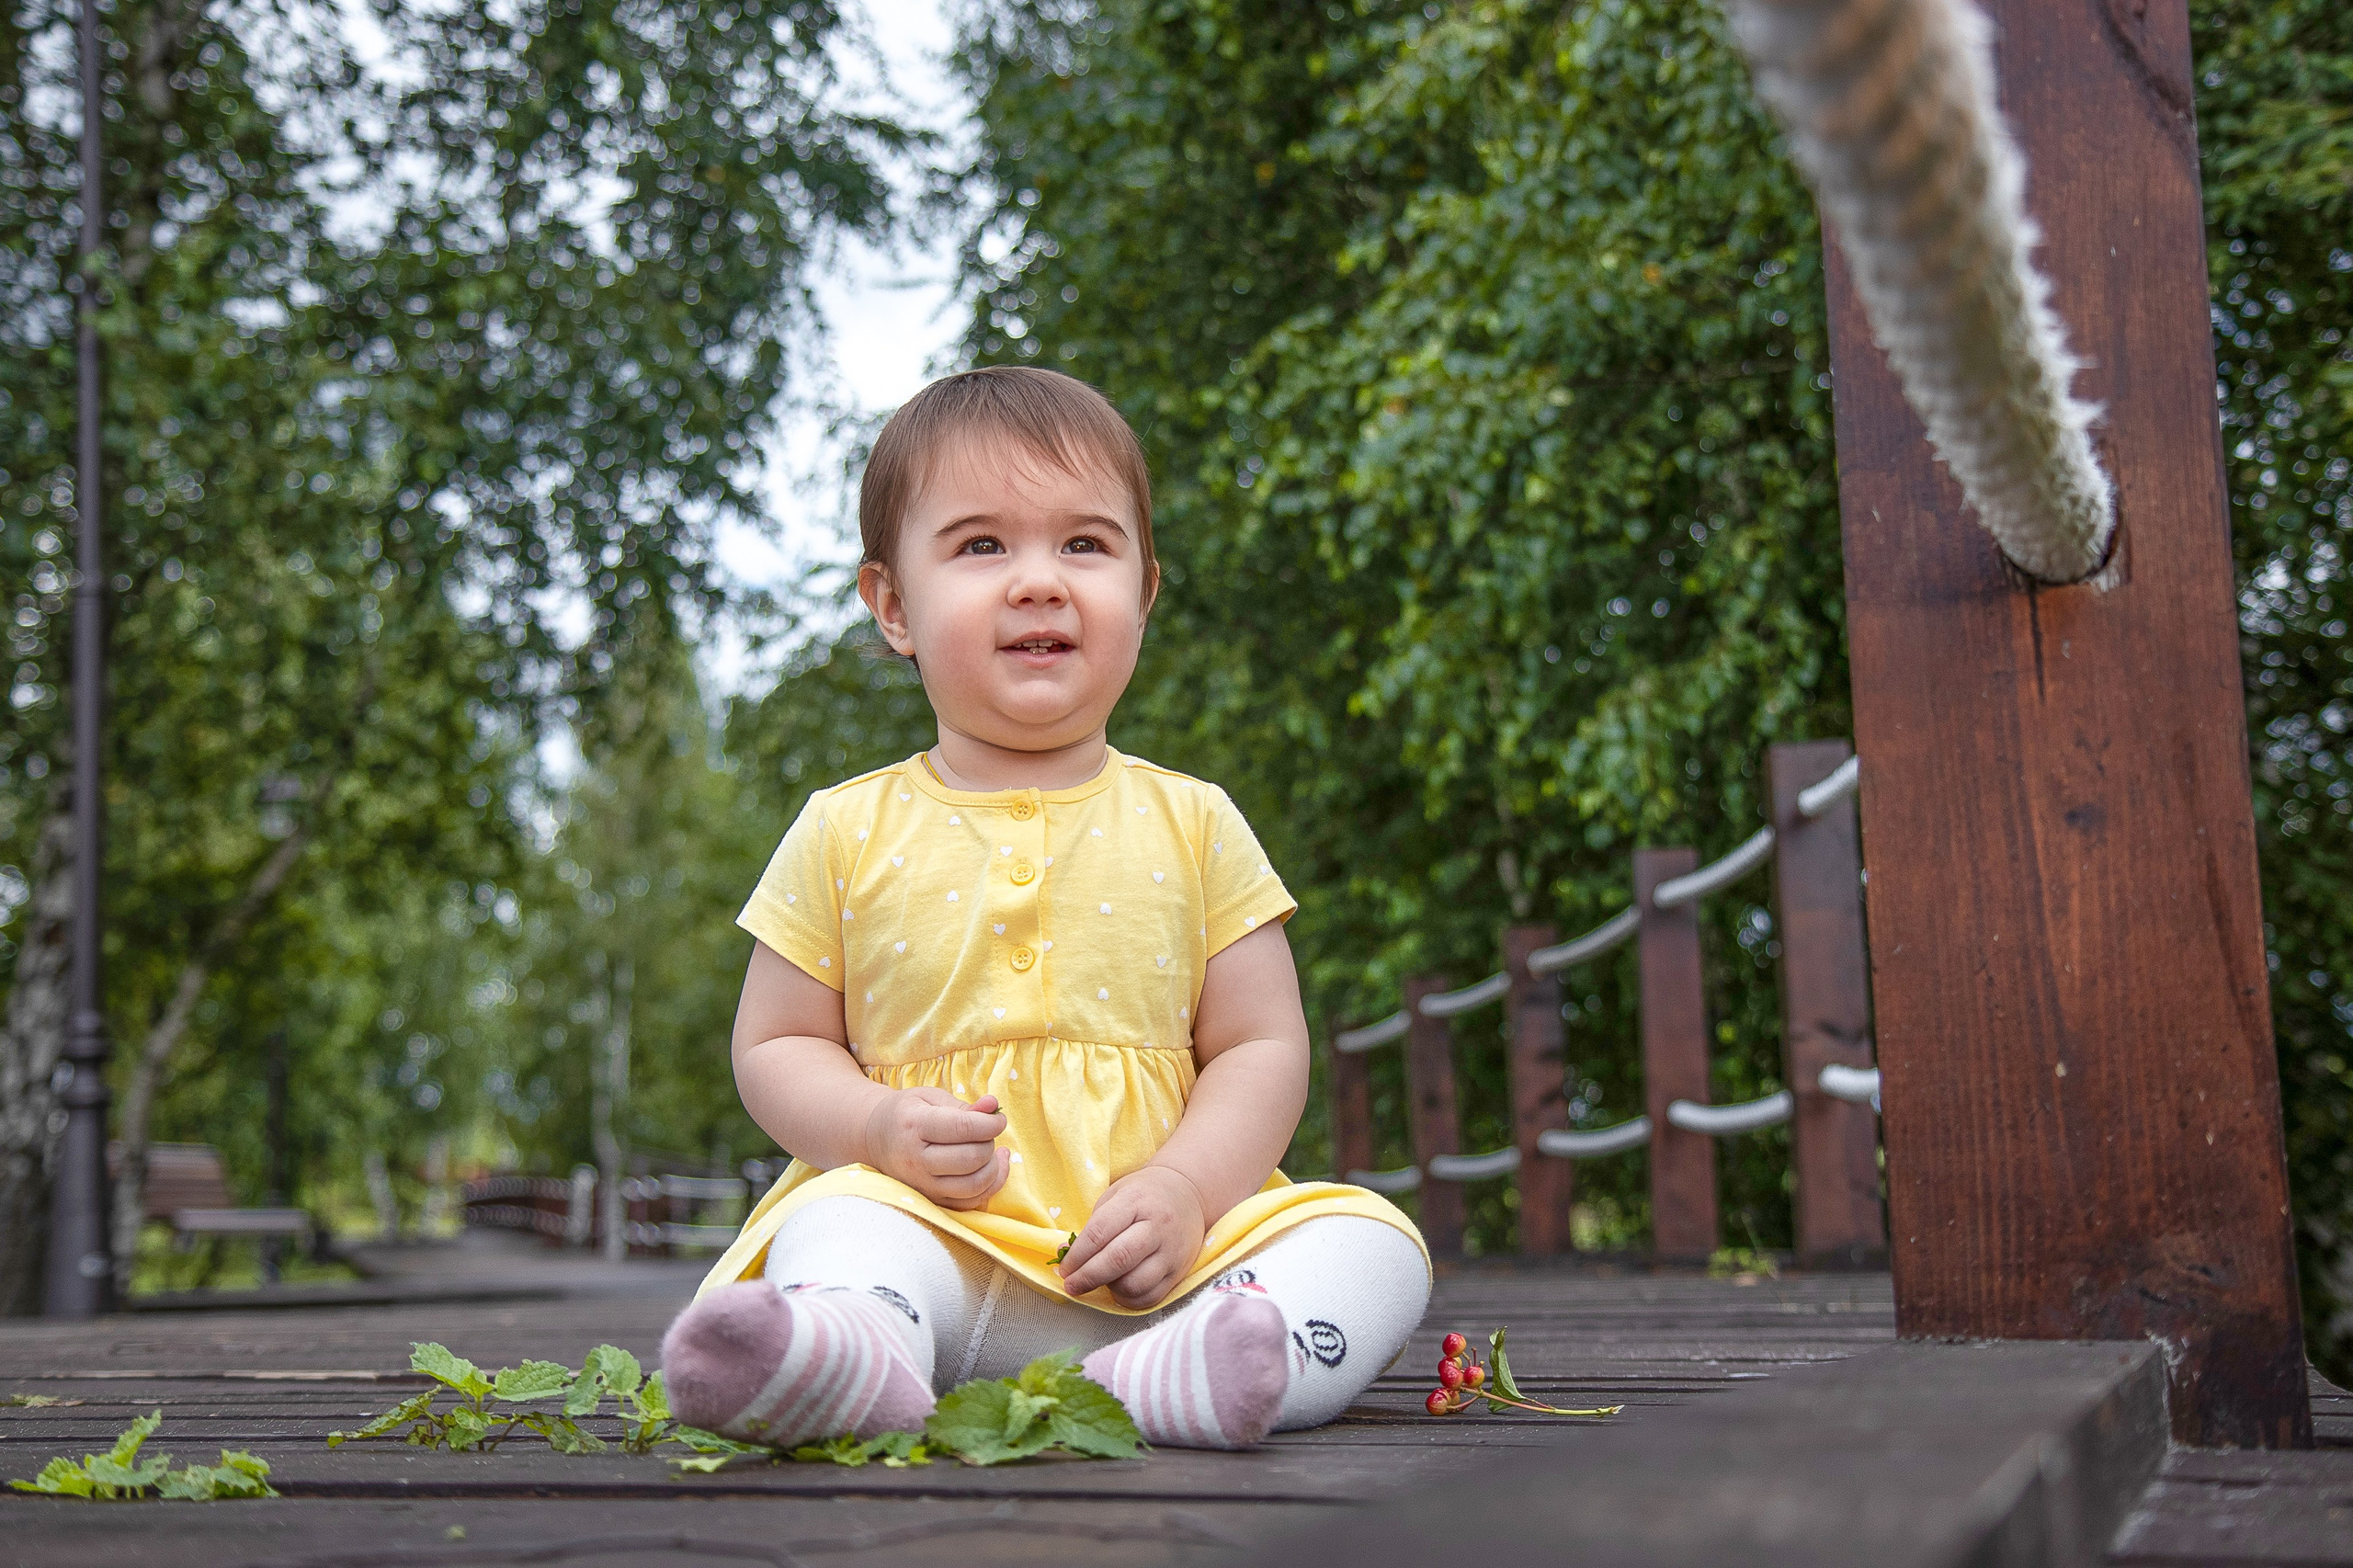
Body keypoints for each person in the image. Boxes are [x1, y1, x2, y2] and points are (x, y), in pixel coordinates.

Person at [659, 366, 1429, 1451]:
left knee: (1374, 1239)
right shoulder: (843, 828)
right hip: (937, 1249)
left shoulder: (1197, 822)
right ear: (893, 605)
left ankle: (1195, 1371)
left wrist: (1184, 1187)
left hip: (1167, 1271)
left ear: (1143, 591)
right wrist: (873, 1128)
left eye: (1084, 544)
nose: (1038, 581)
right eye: (981, 545)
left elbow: (1261, 1046)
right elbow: (776, 1043)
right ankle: (854, 1347)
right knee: (837, 1216)